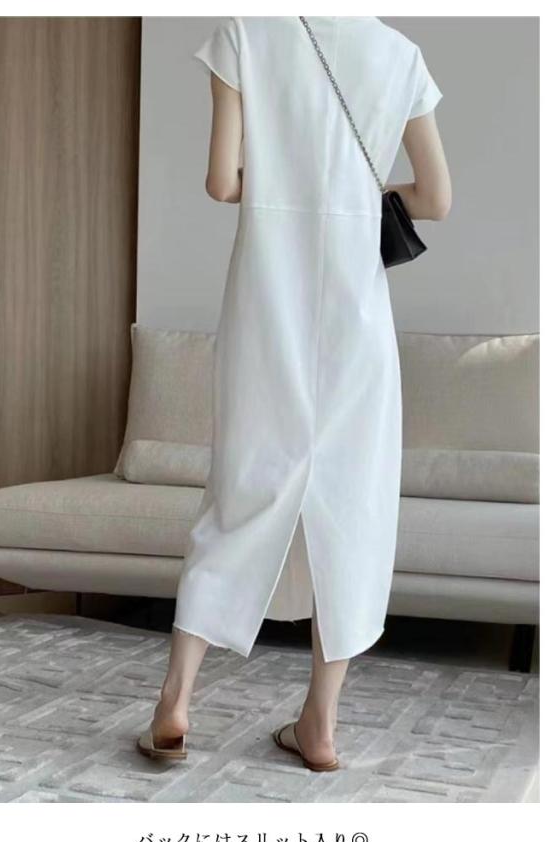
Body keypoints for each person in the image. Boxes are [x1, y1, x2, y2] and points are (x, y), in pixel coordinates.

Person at [137, 16, 451, 771]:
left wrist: (284, 185)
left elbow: (222, 181)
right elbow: (436, 198)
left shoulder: (245, 36)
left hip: (266, 312)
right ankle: (321, 725)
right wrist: (350, 192)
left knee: (239, 494)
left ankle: (175, 703)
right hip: (357, 323)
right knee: (352, 508)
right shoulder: (400, 56)